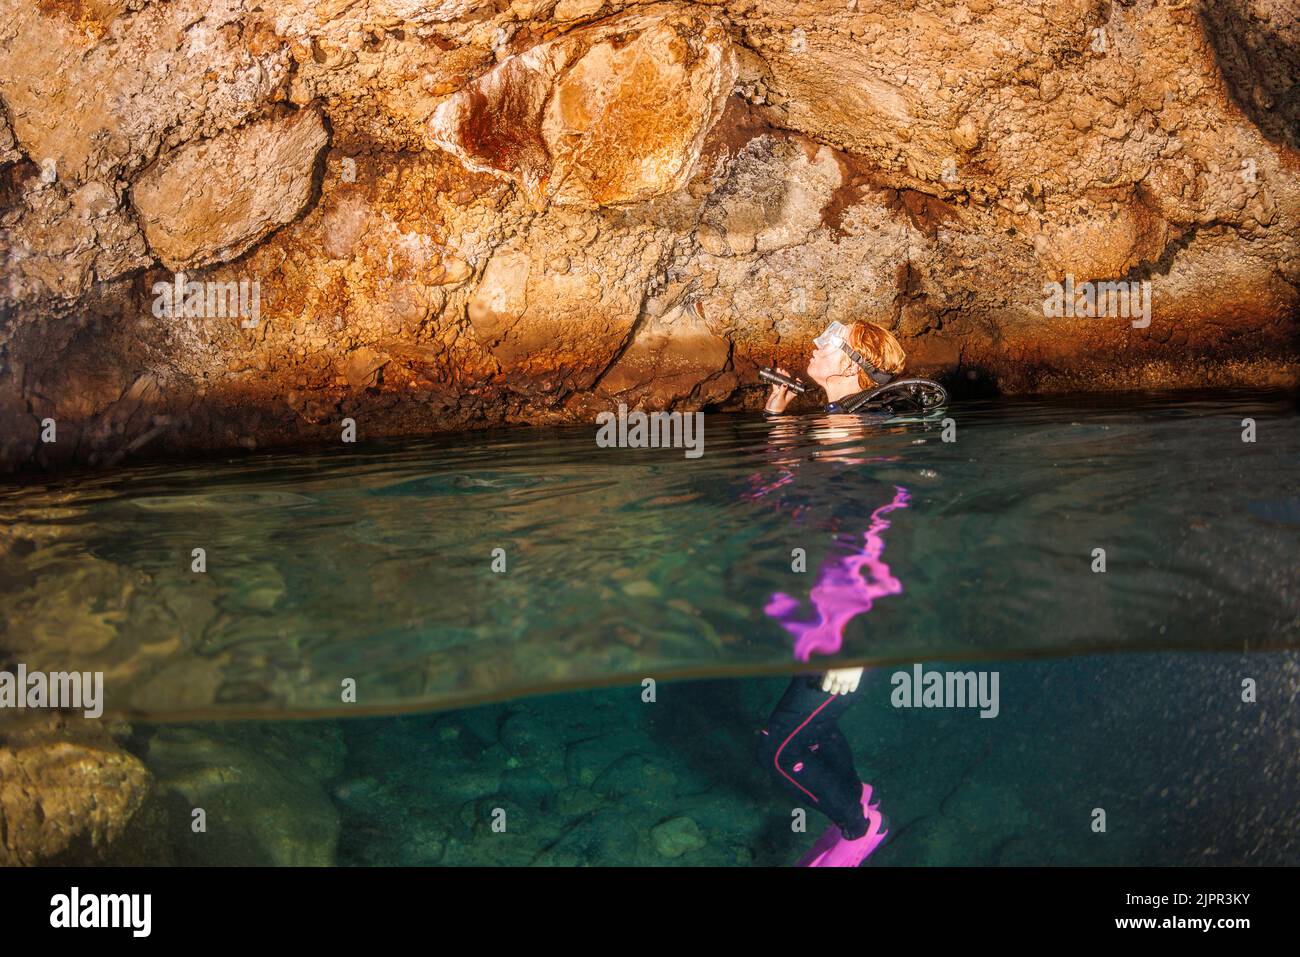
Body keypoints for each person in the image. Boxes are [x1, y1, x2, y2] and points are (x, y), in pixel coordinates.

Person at [755, 319, 908, 867]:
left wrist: (854, 640)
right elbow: (791, 500)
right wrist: (775, 425)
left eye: (828, 342)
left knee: (780, 750)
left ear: (851, 364)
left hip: (847, 624)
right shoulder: (839, 421)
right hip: (828, 613)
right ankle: (859, 799)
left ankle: (859, 829)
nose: (814, 346)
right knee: (812, 732)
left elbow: (878, 539)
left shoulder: (855, 432)